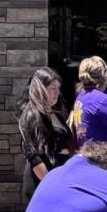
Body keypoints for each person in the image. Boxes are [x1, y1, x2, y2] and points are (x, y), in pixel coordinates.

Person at [16, 67, 72, 200]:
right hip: (43, 180)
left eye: (58, 88)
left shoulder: (56, 113)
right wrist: (52, 185)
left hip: (58, 177)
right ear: (40, 88)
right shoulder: (31, 115)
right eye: (53, 88)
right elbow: (33, 155)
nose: (57, 92)